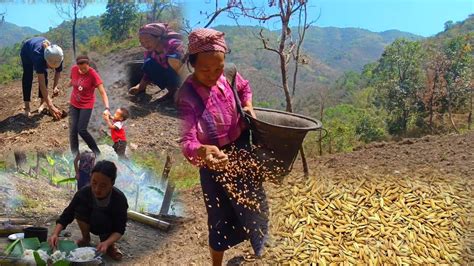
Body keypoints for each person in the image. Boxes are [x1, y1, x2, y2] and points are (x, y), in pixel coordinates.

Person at [177, 28, 266, 266]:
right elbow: (187, 139)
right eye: (205, 70)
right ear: (192, 64)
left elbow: (244, 88)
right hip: (213, 160)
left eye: (218, 68)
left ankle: (262, 253)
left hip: (241, 149)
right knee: (219, 218)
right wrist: (202, 150)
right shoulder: (187, 96)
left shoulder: (229, 73)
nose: (213, 74)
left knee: (254, 205)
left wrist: (248, 106)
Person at [48, 160, 128, 261]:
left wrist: (107, 243)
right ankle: (86, 239)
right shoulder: (83, 193)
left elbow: (119, 229)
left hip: (108, 228)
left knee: (102, 217)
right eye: (94, 183)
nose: (97, 189)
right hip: (92, 223)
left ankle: (109, 244)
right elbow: (67, 215)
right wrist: (55, 234)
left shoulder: (119, 199)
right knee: (80, 209)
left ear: (112, 183)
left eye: (103, 185)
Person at [128, 23, 184, 102]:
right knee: (148, 63)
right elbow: (148, 73)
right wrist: (139, 87)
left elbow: (185, 63)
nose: (145, 45)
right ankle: (172, 91)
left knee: (172, 60)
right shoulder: (150, 53)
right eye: (142, 42)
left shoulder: (174, 44)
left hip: (185, 77)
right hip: (171, 77)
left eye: (147, 41)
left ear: (158, 38)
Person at [69, 55, 110, 156]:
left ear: (88, 64)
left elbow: (103, 92)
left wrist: (107, 108)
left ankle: (97, 153)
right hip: (74, 103)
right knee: (73, 130)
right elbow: (72, 80)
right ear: (77, 66)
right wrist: (63, 86)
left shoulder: (93, 74)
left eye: (85, 68)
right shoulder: (74, 69)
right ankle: (75, 155)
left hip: (86, 104)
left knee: (81, 129)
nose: (83, 70)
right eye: (80, 68)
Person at [20, 36, 63, 119]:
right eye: (51, 66)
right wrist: (51, 106)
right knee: (28, 76)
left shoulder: (58, 55)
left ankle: (42, 104)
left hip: (39, 50)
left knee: (45, 73)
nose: (52, 68)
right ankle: (27, 107)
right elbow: (42, 84)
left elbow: (58, 71)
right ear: (45, 60)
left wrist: (55, 86)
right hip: (27, 51)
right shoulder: (38, 56)